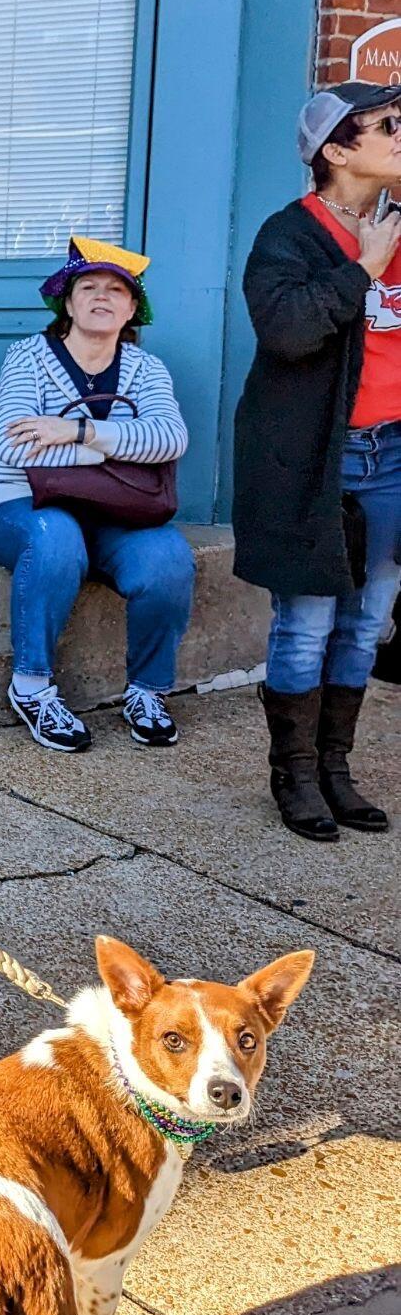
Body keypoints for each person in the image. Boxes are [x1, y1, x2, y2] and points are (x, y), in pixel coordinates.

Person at [235, 80, 401, 840]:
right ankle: (293, 777)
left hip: (390, 456)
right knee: (304, 625)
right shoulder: (288, 236)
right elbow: (290, 332)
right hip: (312, 461)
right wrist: (363, 268)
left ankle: (336, 769)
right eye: (386, 124)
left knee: (365, 624)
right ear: (337, 150)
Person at [0, 237, 192, 752]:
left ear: (132, 307)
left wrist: (79, 432)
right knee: (55, 537)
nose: (102, 297)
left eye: (116, 290)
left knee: (168, 557)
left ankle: (146, 691)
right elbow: (13, 444)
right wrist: (119, 448)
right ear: (67, 303)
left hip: (117, 512)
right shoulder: (28, 357)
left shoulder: (147, 369)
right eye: (88, 287)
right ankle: (31, 687)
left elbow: (171, 439)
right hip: (21, 506)